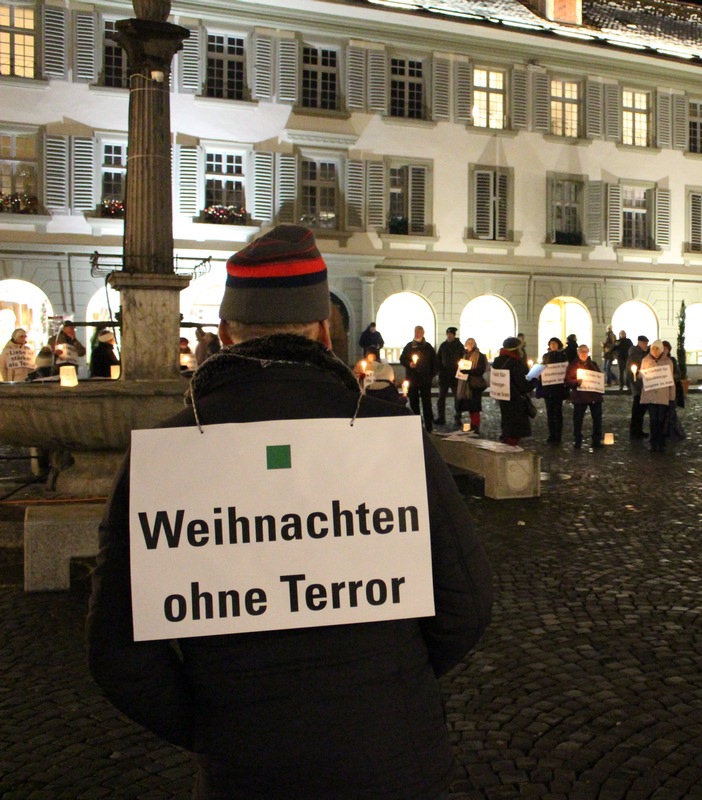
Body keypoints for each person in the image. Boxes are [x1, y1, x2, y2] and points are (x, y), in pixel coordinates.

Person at [86, 224, 492, 798]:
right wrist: (391, 689)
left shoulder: (166, 454)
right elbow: (467, 605)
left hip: (244, 773)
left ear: (225, 333)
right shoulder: (387, 433)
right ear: (325, 331)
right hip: (394, 759)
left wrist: (216, 726)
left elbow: (118, 656)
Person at [493, 336, 533, 446]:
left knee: (507, 423)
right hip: (515, 400)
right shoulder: (515, 362)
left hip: (503, 397)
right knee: (515, 429)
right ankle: (511, 449)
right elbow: (523, 385)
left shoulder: (498, 360)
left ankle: (506, 441)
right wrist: (534, 379)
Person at [640, 340, 676, 452]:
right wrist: (638, 374)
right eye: (653, 348)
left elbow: (670, 381)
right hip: (650, 395)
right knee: (653, 420)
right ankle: (653, 442)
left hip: (662, 395)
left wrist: (672, 397)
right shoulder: (645, 360)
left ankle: (660, 442)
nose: (655, 351)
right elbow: (642, 375)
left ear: (661, 349)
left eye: (657, 348)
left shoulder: (668, 362)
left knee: (661, 420)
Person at [566, 343, 603, 449]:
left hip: (594, 396)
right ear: (578, 352)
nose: (584, 353)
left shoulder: (593, 364)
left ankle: (596, 440)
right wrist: (576, 382)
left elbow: (598, 377)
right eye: (582, 351)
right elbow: (567, 380)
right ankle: (577, 440)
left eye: (586, 351)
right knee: (578, 419)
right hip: (580, 397)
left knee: (597, 419)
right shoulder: (573, 365)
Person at [400, 326, 437, 431]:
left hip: (425, 379)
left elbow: (434, 362)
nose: (418, 333)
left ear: (423, 333)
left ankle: (428, 425)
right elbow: (402, 359)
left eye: (420, 332)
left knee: (427, 403)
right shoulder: (409, 346)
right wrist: (409, 364)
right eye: (416, 331)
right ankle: (416, 425)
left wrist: (431, 375)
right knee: (413, 403)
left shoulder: (428, 347)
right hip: (413, 379)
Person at [540, 337, 569, 444]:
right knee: (550, 413)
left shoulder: (563, 356)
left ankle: (558, 435)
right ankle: (551, 434)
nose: (553, 345)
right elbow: (543, 368)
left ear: (558, 345)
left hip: (558, 389)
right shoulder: (546, 356)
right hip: (548, 389)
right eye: (551, 344)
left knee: (558, 412)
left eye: (555, 344)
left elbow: (564, 369)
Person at [455, 337, 487, 433]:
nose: (470, 345)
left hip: (475, 384)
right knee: (469, 405)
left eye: (472, 343)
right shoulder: (464, 355)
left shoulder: (480, 356)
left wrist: (468, 371)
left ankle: (475, 425)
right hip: (465, 384)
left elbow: (480, 370)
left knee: (475, 406)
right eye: (468, 343)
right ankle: (471, 424)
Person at [435, 326, 465, 426]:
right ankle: (441, 417)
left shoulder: (459, 346)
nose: (449, 335)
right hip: (444, 376)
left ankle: (458, 417)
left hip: (455, 376)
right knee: (441, 397)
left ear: (454, 335)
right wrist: (439, 371)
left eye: (451, 334)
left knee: (457, 398)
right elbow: (438, 359)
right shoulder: (443, 345)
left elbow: (463, 359)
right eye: (448, 333)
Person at [627, 335, 650, 438]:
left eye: (647, 343)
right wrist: (637, 385)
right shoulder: (634, 355)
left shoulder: (645, 354)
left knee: (641, 411)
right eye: (645, 343)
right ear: (640, 343)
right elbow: (630, 373)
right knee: (637, 410)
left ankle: (638, 430)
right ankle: (635, 431)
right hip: (638, 388)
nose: (646, 345)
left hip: (645, 386)